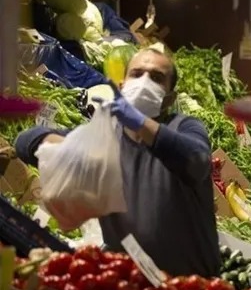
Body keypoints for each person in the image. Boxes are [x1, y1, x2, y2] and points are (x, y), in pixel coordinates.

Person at [15, 48, 220, 277]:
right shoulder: (105, 138)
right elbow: (24, 142)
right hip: (127, 283)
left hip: (192, 288)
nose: (144, 82)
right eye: (137, 73)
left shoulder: (185, 127)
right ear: (122, 86)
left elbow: (198, 162)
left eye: (156, 78)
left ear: (169, 98)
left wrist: (141, 123)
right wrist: (63, 146)